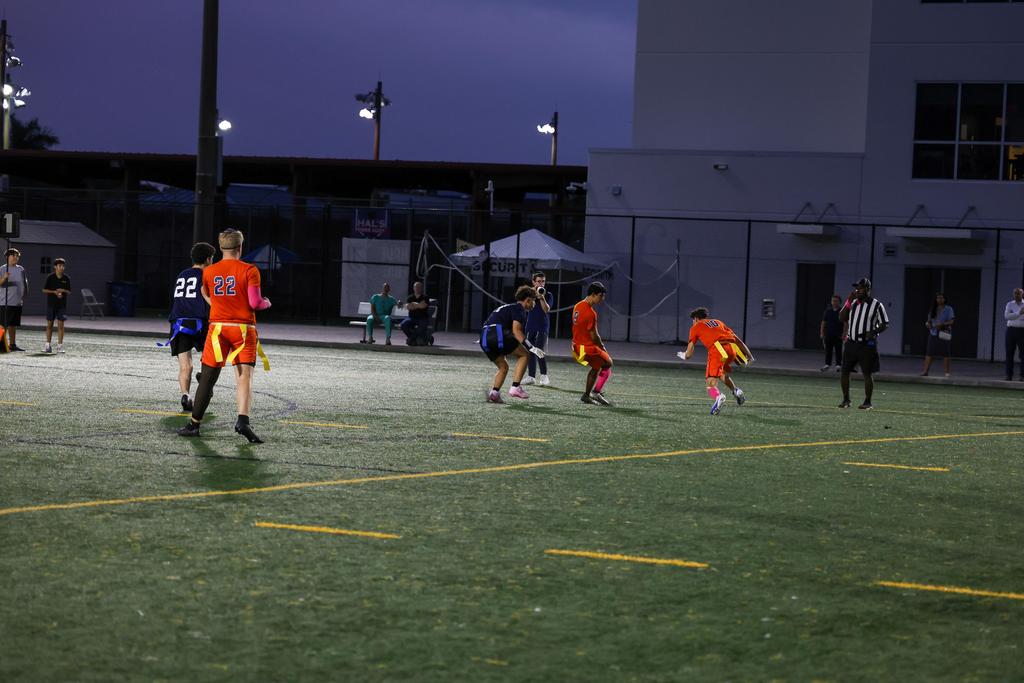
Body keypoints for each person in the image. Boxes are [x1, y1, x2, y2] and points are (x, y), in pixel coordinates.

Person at [178, 229, 271, 443]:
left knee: (208, 377)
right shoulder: (249, 270)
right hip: (243, 329)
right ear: (240, 247)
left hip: (218, 328)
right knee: (244, 376)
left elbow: (205, 292)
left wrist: (217, 305)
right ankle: (242, 421)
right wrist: (267, 302)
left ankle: (194, 425)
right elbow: (255, 303)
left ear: (221, 248)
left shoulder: (209, 271)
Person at [162, 242, 215, 412]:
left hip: (179, 323)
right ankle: (205, 379)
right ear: (208, 259)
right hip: (200, 322)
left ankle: (185, 394)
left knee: (186, 366)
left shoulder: (182, 274)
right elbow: (209, 297)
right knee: (211, 361)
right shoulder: (207, 275)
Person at [678, 307, 752, 415]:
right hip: (731, 349)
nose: (693, 322)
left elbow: (689, 354)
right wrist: (749, 356)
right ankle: (736, 391)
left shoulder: (695, 327)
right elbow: (737, 339)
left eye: (693, 320)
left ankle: (718, 397)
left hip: (718, 350)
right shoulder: (717, 322)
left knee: (710, 384)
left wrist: (684, 355)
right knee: (721, 372)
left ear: (696, 318)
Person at [480, 285, 544, 403]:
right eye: (533, 301)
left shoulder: (508, 307)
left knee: (503, 367)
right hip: (497, 334)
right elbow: (516, 331)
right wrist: (531, 347)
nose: (534, 304)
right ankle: (515, 387)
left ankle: (494, 393)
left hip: (484, 338)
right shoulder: (519, 309)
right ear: (528, 300)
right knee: (525, 355)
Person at [839, 277, 889, 410]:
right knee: (844, 372)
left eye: (860, 288)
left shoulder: (877, 305)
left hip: (866, 344)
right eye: (856, 288)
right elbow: (842, 317)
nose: (857, 290)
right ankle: (846, 400)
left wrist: (874, 332)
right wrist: (848, 301)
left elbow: (885, 323)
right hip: (851, 342)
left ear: (867, 289)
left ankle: (868, 401)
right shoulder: (853, 303)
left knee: (867, 373)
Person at [572, 281, 615, 406]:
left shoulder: (578, 305)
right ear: (593, 294)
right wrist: (602, 347)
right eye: (601, 295)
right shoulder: (591, 313)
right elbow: (594, 336)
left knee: (596, 367)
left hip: (576, 347)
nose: (602, 298)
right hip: (586, 348)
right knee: (608, 362)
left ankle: (586, 395)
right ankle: (596, 392)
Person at [522, 272, 553, 386]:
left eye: (543, 281)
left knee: (539, 350)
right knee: (530, 351)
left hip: (542, 326)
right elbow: (524, 307)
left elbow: (546, 310)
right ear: (533, 282)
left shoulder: (548, 294)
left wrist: (542, 298)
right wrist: (531, 296)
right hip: (530, 326)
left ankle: (544, 376)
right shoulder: (529, 294)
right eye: (539, 281)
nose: (541, 283)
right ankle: (531, 377)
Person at [41, 257, 72, 353]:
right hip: (51, 305)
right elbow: (44, 290)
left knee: (61, 326)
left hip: (62, 306)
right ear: (55, 267)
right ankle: (47, 346)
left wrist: (64, 290)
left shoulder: (66, 278)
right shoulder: (50, 277)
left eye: (63, 266)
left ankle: (59, 347)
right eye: (60, 266)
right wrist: (54, 292)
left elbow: (69, 292)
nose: (62, 267)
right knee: (49, 325)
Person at [0, 247, 28, 351]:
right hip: (5, 302)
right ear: (7, 257)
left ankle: (12, 344)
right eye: (13, 255)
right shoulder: (2, 269)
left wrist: (24, 295)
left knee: (13, 324)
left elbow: (24, 282)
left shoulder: (21, 269)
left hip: (17, 302)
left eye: (17, 256)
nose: (16, 258)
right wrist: (4, 277)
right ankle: (1, 344)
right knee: (3, 325)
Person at [921, 292, 954, 377]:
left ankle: (947, 373)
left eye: (941, 298)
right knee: (929, 352)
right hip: (933, 332)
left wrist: (942, 324)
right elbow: (929, 321)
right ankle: (925, 371)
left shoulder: (948, 309)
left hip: (944, 332)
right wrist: (928, 324)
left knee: (945, 353)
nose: (940, 300)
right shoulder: (933, 309)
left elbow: (951, 321)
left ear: (944, 299)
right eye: (938, 298)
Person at [400, 281, 432, 346]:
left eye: (419, 287)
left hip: (422, 318)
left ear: (421, 288)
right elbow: (409, 307)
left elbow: (423, 306)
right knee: (403, 325)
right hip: (411, 318)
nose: (417, 288)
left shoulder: (425, 297)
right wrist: (418, 305)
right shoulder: (410, 297)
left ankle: (411, 339)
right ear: (413, 288)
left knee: (422, 326)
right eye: (416, 287)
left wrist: (413, 304)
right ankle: (413, 339)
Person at [820, 294, 844, 372]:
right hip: (829, 334)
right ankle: (827, 364)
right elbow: (823, 322)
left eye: (836, 301)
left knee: (838, 350)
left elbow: (846, 323)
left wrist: (844, 333)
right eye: (833, 301)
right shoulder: (828, 311)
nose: (834, 302)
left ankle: (838, 365)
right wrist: (822, 333)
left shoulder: (842, 311)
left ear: (839, 302)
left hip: (838, 334)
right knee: (828, 350)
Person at [1005, 287, 1024, 381]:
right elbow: (1007, 316)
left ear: (1022, 294)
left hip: (1022, 331)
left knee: (1023, 354)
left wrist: (1013, 315)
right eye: (1015, 293)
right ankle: (1008, 375)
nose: (1016, 295)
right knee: (1009, 353)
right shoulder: (1010, 304)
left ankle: (1022, 376)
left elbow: (1011, 316)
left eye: (1018, 293)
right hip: (1011, 330)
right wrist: (1019, 313)